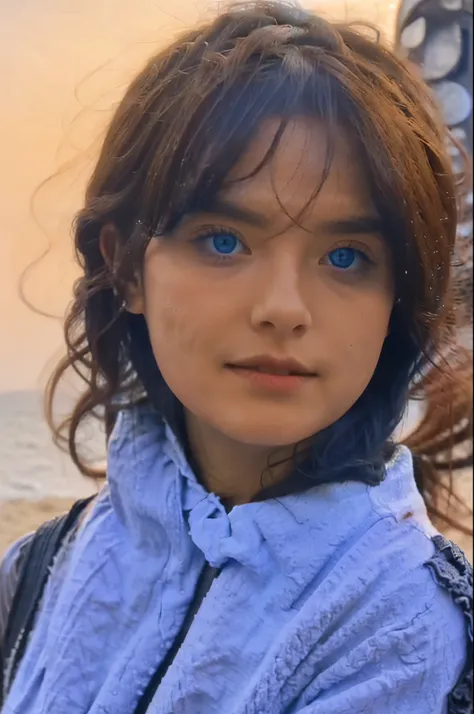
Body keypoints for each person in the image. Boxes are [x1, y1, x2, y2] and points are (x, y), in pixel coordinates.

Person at [0, 3, 472, 712]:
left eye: (347, 256)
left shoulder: (397, 624)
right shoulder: (38, 569)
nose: (283, 306)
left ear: (396, 303)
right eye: (224, 240)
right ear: (126, 264)